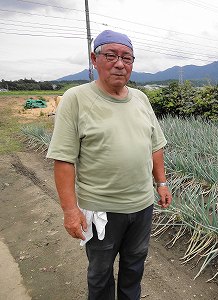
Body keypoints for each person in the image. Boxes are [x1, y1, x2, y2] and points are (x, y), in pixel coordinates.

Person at [46, 29, 172, 300]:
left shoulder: (140, 98)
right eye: (111, 55)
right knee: (101, 274)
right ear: (94, 58)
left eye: (127, 57)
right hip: (101, 210)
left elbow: (155, 145)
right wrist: (70, 210)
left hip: (142, 206)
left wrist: (161, 182)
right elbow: (64, 159)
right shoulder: (76, 99)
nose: (119, 63)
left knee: (134, 267)